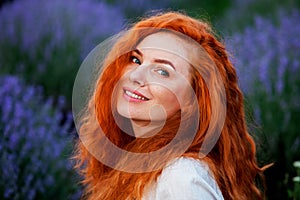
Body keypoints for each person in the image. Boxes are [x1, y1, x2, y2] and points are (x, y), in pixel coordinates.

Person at [73, 11, 266, 200]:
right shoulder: (134, 159)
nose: (135, 76)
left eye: (162, 72)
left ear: (194, 99)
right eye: (135, 60)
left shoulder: (180, 178)